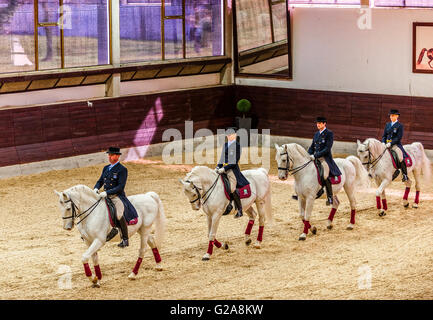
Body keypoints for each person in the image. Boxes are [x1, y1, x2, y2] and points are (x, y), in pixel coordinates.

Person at [94, 147, 136, 248]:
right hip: (105, 195)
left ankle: (125, 239)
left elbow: (120, 187)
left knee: (118, 214)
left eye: (111, 155)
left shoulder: (122, 170)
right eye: (109, 155)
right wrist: (96, 188)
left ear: (117, 156)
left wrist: (107, 192)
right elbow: (100, 181)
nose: (109, 157)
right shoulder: (106, 168)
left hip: (117, 196)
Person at [216, 127, 249, 218]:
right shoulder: (225, 145)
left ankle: (239, 209)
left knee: (232, 188)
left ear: (235, 135)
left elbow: (234, 161)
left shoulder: (237, 146)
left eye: (231, 135)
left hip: (232, 169)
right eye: (228, 135)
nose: (229, 136)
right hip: (223, 168)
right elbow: (222, 158)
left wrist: (225, 168)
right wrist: (218, 166)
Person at [307, 117, 342, 206]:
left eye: (320, 123)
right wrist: (307, 155)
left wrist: (315, 155)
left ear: (324, 124)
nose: (318, 125)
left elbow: (327, 148)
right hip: (315, 158)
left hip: (325, 159)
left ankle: (330, 197)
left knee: (325, 175)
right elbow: (312, 147)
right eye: (317, 123)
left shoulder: (329, 133)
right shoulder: (316, 134)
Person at [381, 109, 409, 182]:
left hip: (395, 144)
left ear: (397, 116)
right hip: (386, 144)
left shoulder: (400, 126)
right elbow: (384, 135)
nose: (391, 117)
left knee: (400, 157)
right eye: (390, 116)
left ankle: (404, 175)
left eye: (392, 115)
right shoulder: (387, 125)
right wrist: (383, 142)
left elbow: (398, 137)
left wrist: (390, 143)